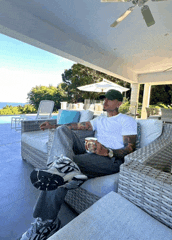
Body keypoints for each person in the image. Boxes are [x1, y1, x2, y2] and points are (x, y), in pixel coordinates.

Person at [19, 89, 137, 240]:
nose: (105, 102)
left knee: (59, 172)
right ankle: (61, 166)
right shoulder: (99, 120)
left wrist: (109, 152)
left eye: (110, 99)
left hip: (110, 159)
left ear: (119, 103)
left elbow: (129, 149)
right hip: (92, 150)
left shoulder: (127, 120)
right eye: (104, 99)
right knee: (62, 130)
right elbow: (78, 126)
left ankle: (46, 223)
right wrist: (53, 125)